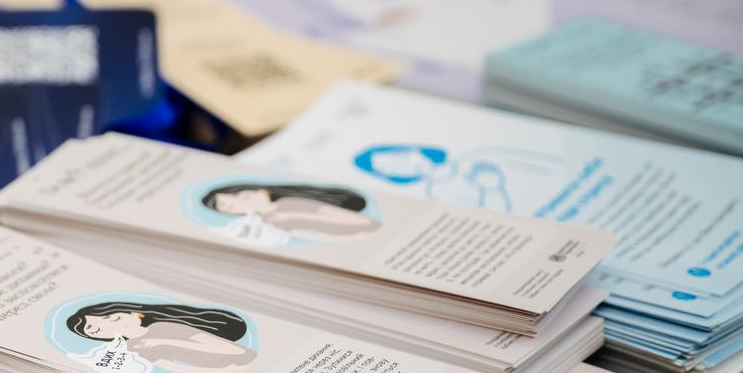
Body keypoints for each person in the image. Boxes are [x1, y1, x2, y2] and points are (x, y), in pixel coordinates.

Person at [64, 300, 257, 373]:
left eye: (114, 318)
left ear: (136, 314)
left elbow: (235, 351)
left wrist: (162, 340)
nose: (111, 326)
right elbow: (176, 368)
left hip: (241, 361)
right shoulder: (132, 348)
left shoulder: (163, 327)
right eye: (95, 330)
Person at [352, 142, 556, 211]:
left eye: (398, 157)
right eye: (390, 168)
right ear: (391, 177)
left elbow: (552, 164)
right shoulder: (437, 196)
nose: (402, 165)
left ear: (413, 149)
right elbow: (495, 222)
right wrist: (492, 190)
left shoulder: (482, 155)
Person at [200, 181, 380, 240]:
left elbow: (366, 223)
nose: (240, 201)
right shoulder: (267, 224)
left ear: (260, 189)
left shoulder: (289, 204)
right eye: (230, 206)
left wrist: (292, 216)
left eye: (236, 194)